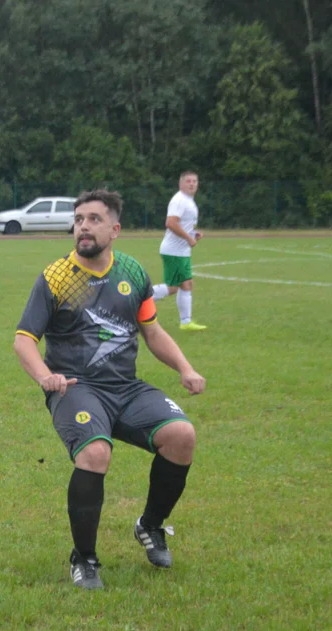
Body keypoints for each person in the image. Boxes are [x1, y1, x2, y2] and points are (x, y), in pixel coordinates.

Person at [13, 189, 206, 590]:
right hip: (75, 388)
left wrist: (185, 367)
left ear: (114, 230)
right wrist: (45, 376)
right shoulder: (56, 277)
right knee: (95, 453)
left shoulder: (132, 272)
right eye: (79, 219)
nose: (83, 227)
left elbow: (152, 331)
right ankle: (84, 558)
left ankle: (150, 525)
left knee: (181, 435)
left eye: (94, 219)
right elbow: (23, 340)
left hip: (125, 388)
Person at [152, 171, 206, 331]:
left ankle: (186, 322)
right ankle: (137, 299)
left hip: (181, 251)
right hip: (174, 251)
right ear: (181, 184)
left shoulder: (189, 201)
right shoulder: (179, 200)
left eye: (194, 181)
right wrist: (189, 238)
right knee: (173, 287)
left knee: (186, 284)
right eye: (188, 181)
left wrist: (193, 234)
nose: (192, 184)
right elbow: (171, 223)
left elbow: (182, 224)